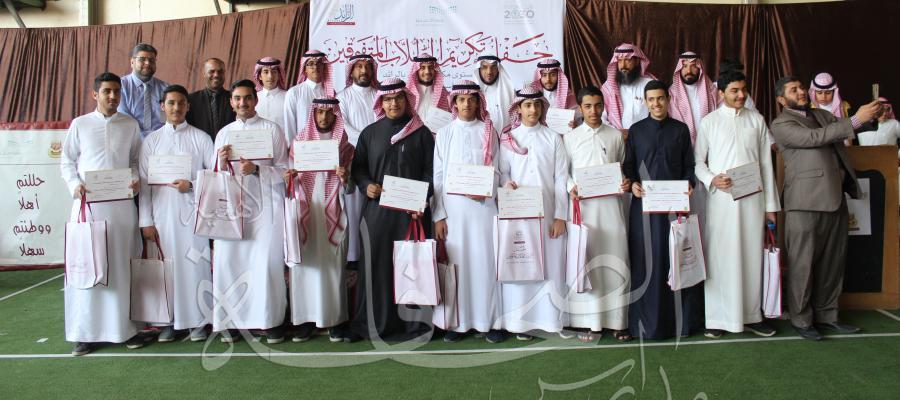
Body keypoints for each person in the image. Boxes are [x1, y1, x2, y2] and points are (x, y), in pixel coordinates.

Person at [770, 75, 882, 341]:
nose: (801, 92)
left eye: (801, 87)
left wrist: (872, 115)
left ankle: (828, 316)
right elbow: (815, 137)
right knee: (803, 265)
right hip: (803, 203)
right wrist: (854, 120)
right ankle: (801, 319)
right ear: (781, 99)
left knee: (833, 264)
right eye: (793, 90)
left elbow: (849, 128)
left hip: (834, 199)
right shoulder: (781, 123)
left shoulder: (822, 114)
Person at [61, 72, 143, 356]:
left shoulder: (130, 124)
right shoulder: (80, 124)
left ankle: (126, 329)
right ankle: (85, 334)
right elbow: (67, 161)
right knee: (88, 267)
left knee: (121, 266)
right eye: (106, 91)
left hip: (121, 208)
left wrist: (135, 180)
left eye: (116, 91)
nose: (112, 96)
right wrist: (75, 185)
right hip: (89, 207)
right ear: (94, 94)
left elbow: (136, 161)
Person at [694, 69, 781, 339]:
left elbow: (766, 165)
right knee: (720, 257)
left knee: (751, 257)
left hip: (753, 201)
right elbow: (697, 162)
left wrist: (771, 207)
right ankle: (717, 319)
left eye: (743, 89)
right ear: (721, 93)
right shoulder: (709, 122)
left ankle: (752, 315)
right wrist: (712, 179)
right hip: (721, 203)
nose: (741, 95)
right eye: (734, 91)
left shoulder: (756, 120)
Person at [349, 78, 434, 341]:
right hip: (378, 213)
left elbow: (432, 172)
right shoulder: (370, 133)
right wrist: (366, 186)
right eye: (387, 99)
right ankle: (372, 324)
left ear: (407, 100)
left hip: (412, 215)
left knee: (412, 268)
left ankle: (413, 325)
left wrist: (421, 199)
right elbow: (358, 168)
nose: (393, 103)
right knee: (376, 266)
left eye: (398, 98)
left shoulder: (421, 133)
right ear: (381, 103)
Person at [210, 79, 290, 344]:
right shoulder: (224, 134)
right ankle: (232, 323)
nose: (242, 103)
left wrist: (257, 169)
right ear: (231, 102)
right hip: (232, 211)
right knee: (229, 264)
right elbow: (215, 176)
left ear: (255, 100)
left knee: (266, 264)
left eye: (247, 97)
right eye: (237, 98)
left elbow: (286, 170)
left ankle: (269, 322)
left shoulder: (272, 129)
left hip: (267, 208)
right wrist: (222, 163)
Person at [623, 80, 703, 340]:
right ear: (645, 102)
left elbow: (689, 166)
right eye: (651, 99)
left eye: (660, 98)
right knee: (646, 262)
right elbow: (629, 167)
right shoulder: (636, 131)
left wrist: (689, 184)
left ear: (668, 100)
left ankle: (680, 324)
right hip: (644, 211)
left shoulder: (680, 130)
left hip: (675, 210)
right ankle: (644, 325)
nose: (656, 103)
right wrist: (632, 185)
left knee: (676, 261)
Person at [138, 84, 215, 343]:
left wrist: (191, 185)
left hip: (193, 217)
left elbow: (215, 177)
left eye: (181, 103)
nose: (176, 108)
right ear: (162, 106)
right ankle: (169, 322)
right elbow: (144, 184)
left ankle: (198, 321)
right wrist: (145, 221)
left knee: (195, 267)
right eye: (171, 103)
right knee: (166, 269)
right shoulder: (151, 141)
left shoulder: (201, 138)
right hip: (162, 217)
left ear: (188, 106)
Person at [432, 80, 504, 343]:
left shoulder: (489, 131)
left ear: (478, 102)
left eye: (471, 99)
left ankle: (490, 321)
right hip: (454, 211)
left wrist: (487, 189)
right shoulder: (445, 133)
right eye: (461, 100)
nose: (467, 104)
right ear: (454, 103)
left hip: (484, 209)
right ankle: (457, 323)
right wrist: (439, 215)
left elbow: (498, 170)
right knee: (457, 264)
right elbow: (438, 176)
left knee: (486, 262)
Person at [496, 87, 569, 341]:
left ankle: (551, 320)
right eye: (527, 105)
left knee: (550, 265)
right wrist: (506, 184)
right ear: (518, 108)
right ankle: (521, 323)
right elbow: (503, 173)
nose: (533, 110)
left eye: (537, 105)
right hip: (519, 215)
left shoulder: (553, 138)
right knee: (521, 264)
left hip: (548, 216)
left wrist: (560, 215)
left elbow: (561, 179)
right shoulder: (509, 139)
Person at [563, 85, 631, 342]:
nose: (593, 111)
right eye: (588, 106)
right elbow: (564, 173)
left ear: (604, 106)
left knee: (615, 258)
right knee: (588, 261)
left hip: (611, 208)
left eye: (598, 105)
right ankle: (590, 323)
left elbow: (622, 168)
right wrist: (571, 186)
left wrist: (625, 182)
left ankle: (618, 321)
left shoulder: (615, 135)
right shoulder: (570, 138)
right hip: (584, 210)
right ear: (580, 108)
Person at [284, 96, 354, 343]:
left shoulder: (344, 145)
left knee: (331, 267)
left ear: (336, 115)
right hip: (307, 209)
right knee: (305, 266)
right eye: (319, 113)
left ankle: (333, 320)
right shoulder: (299, 142)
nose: (324, 117)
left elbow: (352, 187)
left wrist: (345, 178)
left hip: (333, 208)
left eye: (329, 113)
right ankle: (304, 322)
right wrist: (289, 177)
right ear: (313, 114)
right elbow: (289, 179)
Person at [336, 53, 379, 266]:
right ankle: (354, 256)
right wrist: (370, 142)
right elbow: (343, 126)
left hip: (379, 159)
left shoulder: (380, 95)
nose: (363, 71)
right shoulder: (342, 97)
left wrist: (377, 144)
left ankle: (376, 253)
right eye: (359, 67)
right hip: (353, 157)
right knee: (354, 208)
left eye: (367, 67)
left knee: (378, 205)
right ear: (351, 71)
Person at [601, 43, 656, 137]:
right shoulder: (609, 87)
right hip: (615, 138)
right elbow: (601, 116)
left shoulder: (649, 84)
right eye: (620, 61)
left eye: (627, 60)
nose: (623, 65)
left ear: (637, 61)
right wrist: (617, 133)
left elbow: (658, 114)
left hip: (645, 137)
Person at [118, 43, 169, 138]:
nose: (147, 63)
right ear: (132, 62)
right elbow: (124, 119)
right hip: (130, 140)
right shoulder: (120, 86)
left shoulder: (165, 88)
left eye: (151, 60)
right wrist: (144, 139)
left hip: (160, 141)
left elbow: (166, 119)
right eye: (142, 59)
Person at [668, 52, 718, 145]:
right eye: (685, 66)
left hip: (709, 144)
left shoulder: (712, 90)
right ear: (679, 69)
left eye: (693, 66)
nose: (689, 71)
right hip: (682, 146)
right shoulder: (671, 94)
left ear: (699, 68)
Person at [284, 50, 334, 143]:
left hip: (327, 146)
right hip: (303, 146)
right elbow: (289, 125)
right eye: (311, 64)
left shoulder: (331, 93)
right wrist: (292, 148)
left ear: (324, 67)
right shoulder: (294, 92)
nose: (315, 67)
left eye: (319, 63)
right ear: (305, 69)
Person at [186, 58, 236, 141]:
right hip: (200, 147)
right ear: (204, 73)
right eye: (211, 71)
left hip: (229, 146)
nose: (216, 75)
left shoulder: (234, 99)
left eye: (220, 71)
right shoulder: (191, 100)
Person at [473, 55, 516, 132]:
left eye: (493, 67)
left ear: (498, 69)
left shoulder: (510, 92)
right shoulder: (471, 95)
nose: (489, 72)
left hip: (506, 136)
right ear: (479, 69)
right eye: (484, 67)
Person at [406, 53, 451, 122]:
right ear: (416, 71)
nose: (427, 72)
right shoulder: (407, 94)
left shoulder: (444, 94)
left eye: (430, 67)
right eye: (422, 68)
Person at [254, 57, 288, 133]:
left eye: (274, 72)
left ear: (279, 75)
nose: (270, 76)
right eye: (266, 72)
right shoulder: (253, 98)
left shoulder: (288, 97)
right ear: (259, 76)